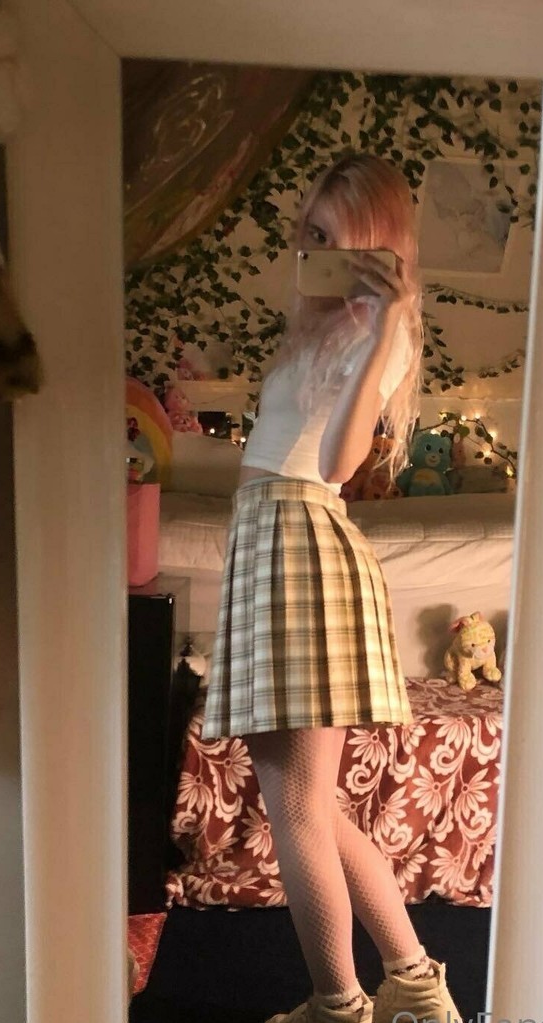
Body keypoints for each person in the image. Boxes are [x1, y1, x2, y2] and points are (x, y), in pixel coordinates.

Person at [199, 154, 462, 1023]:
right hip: (273, 544)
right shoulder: (318, 322)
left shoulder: (376, 335)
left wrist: (383, 329)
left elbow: (340, 462)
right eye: (310, 230)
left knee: (298, 805)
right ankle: (415, 986)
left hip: (301, 543)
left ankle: (339, 1005)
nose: (311, 249)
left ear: (379, 249)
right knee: (311, 803)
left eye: (337, 240)